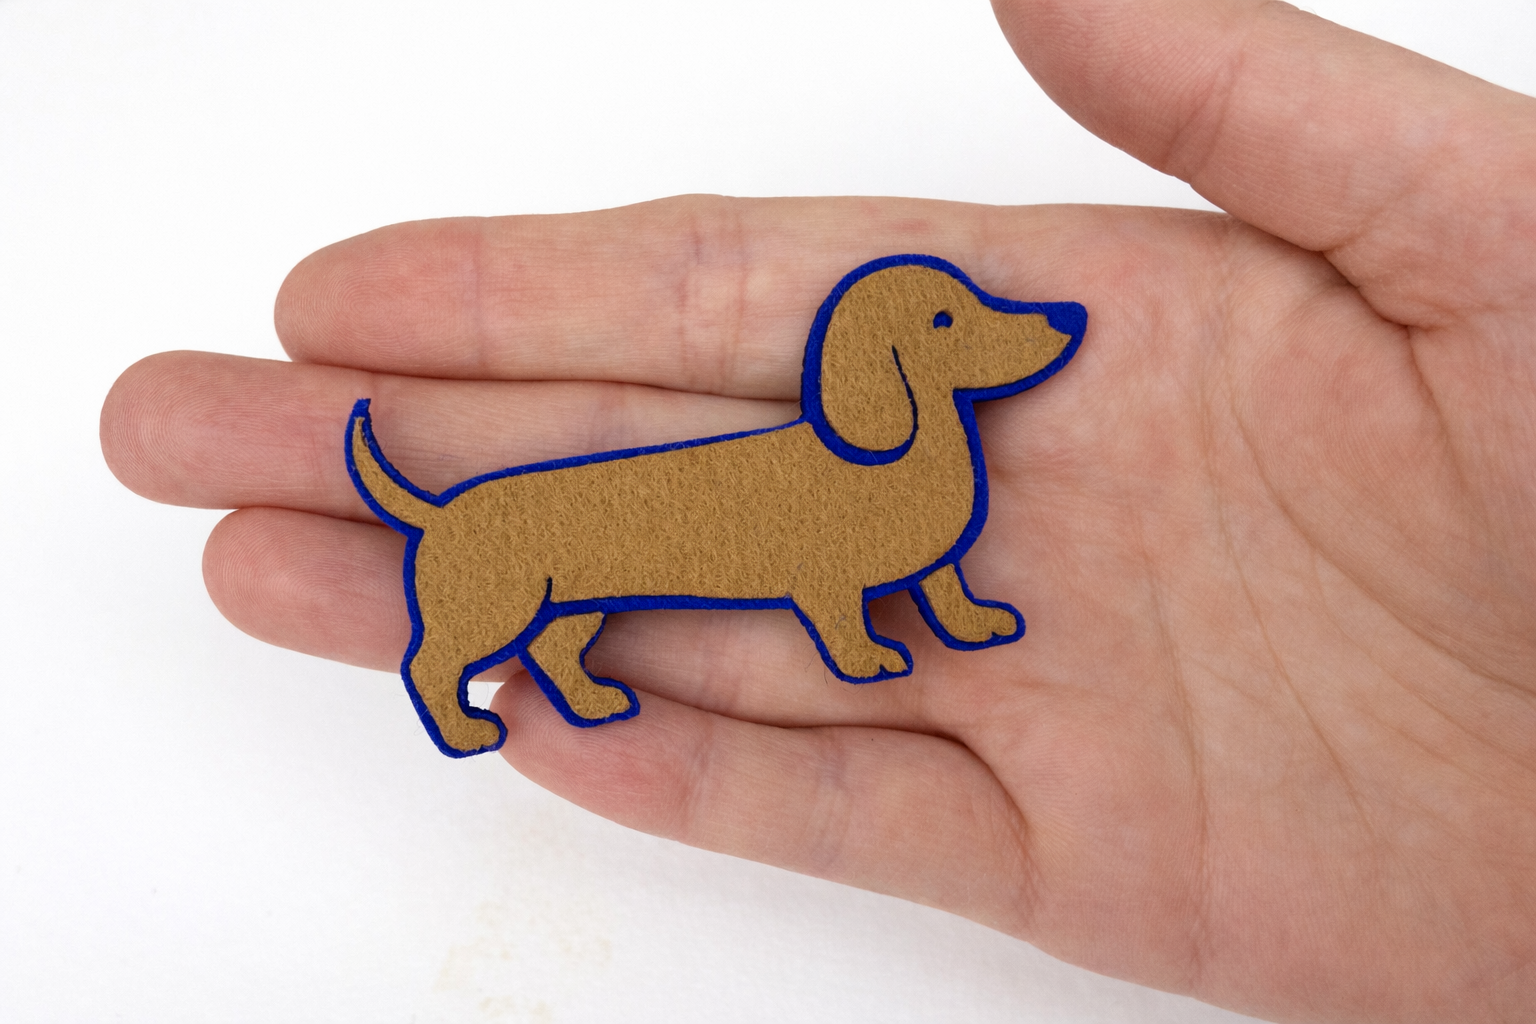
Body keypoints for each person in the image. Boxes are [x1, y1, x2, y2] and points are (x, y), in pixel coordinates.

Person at [99, 1, 1536, 1020]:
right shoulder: (821, 489)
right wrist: (849, 640)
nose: (997, 343)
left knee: (618, 586)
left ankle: (577, 662)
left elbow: (899, 536)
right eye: (951, 332)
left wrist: (947, 598)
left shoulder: (922, 482)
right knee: (524, 578)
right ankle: (456, 677)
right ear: (887, 364)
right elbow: (818, 557)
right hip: (524, 532)